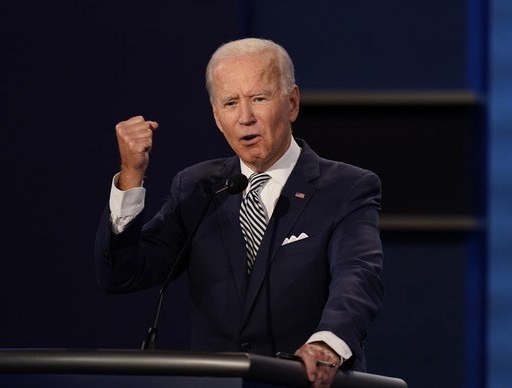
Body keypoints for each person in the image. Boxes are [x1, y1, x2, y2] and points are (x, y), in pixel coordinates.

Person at [95, 38, 384, 387]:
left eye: (259, 98)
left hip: (304, 382)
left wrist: (328, 342)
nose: (245, 118)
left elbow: (358, 277)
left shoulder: (346, 187)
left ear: (291, 103)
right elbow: (123, 274)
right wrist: (131, 176)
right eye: (230, 103)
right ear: (218, 118)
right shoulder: (197, 188)